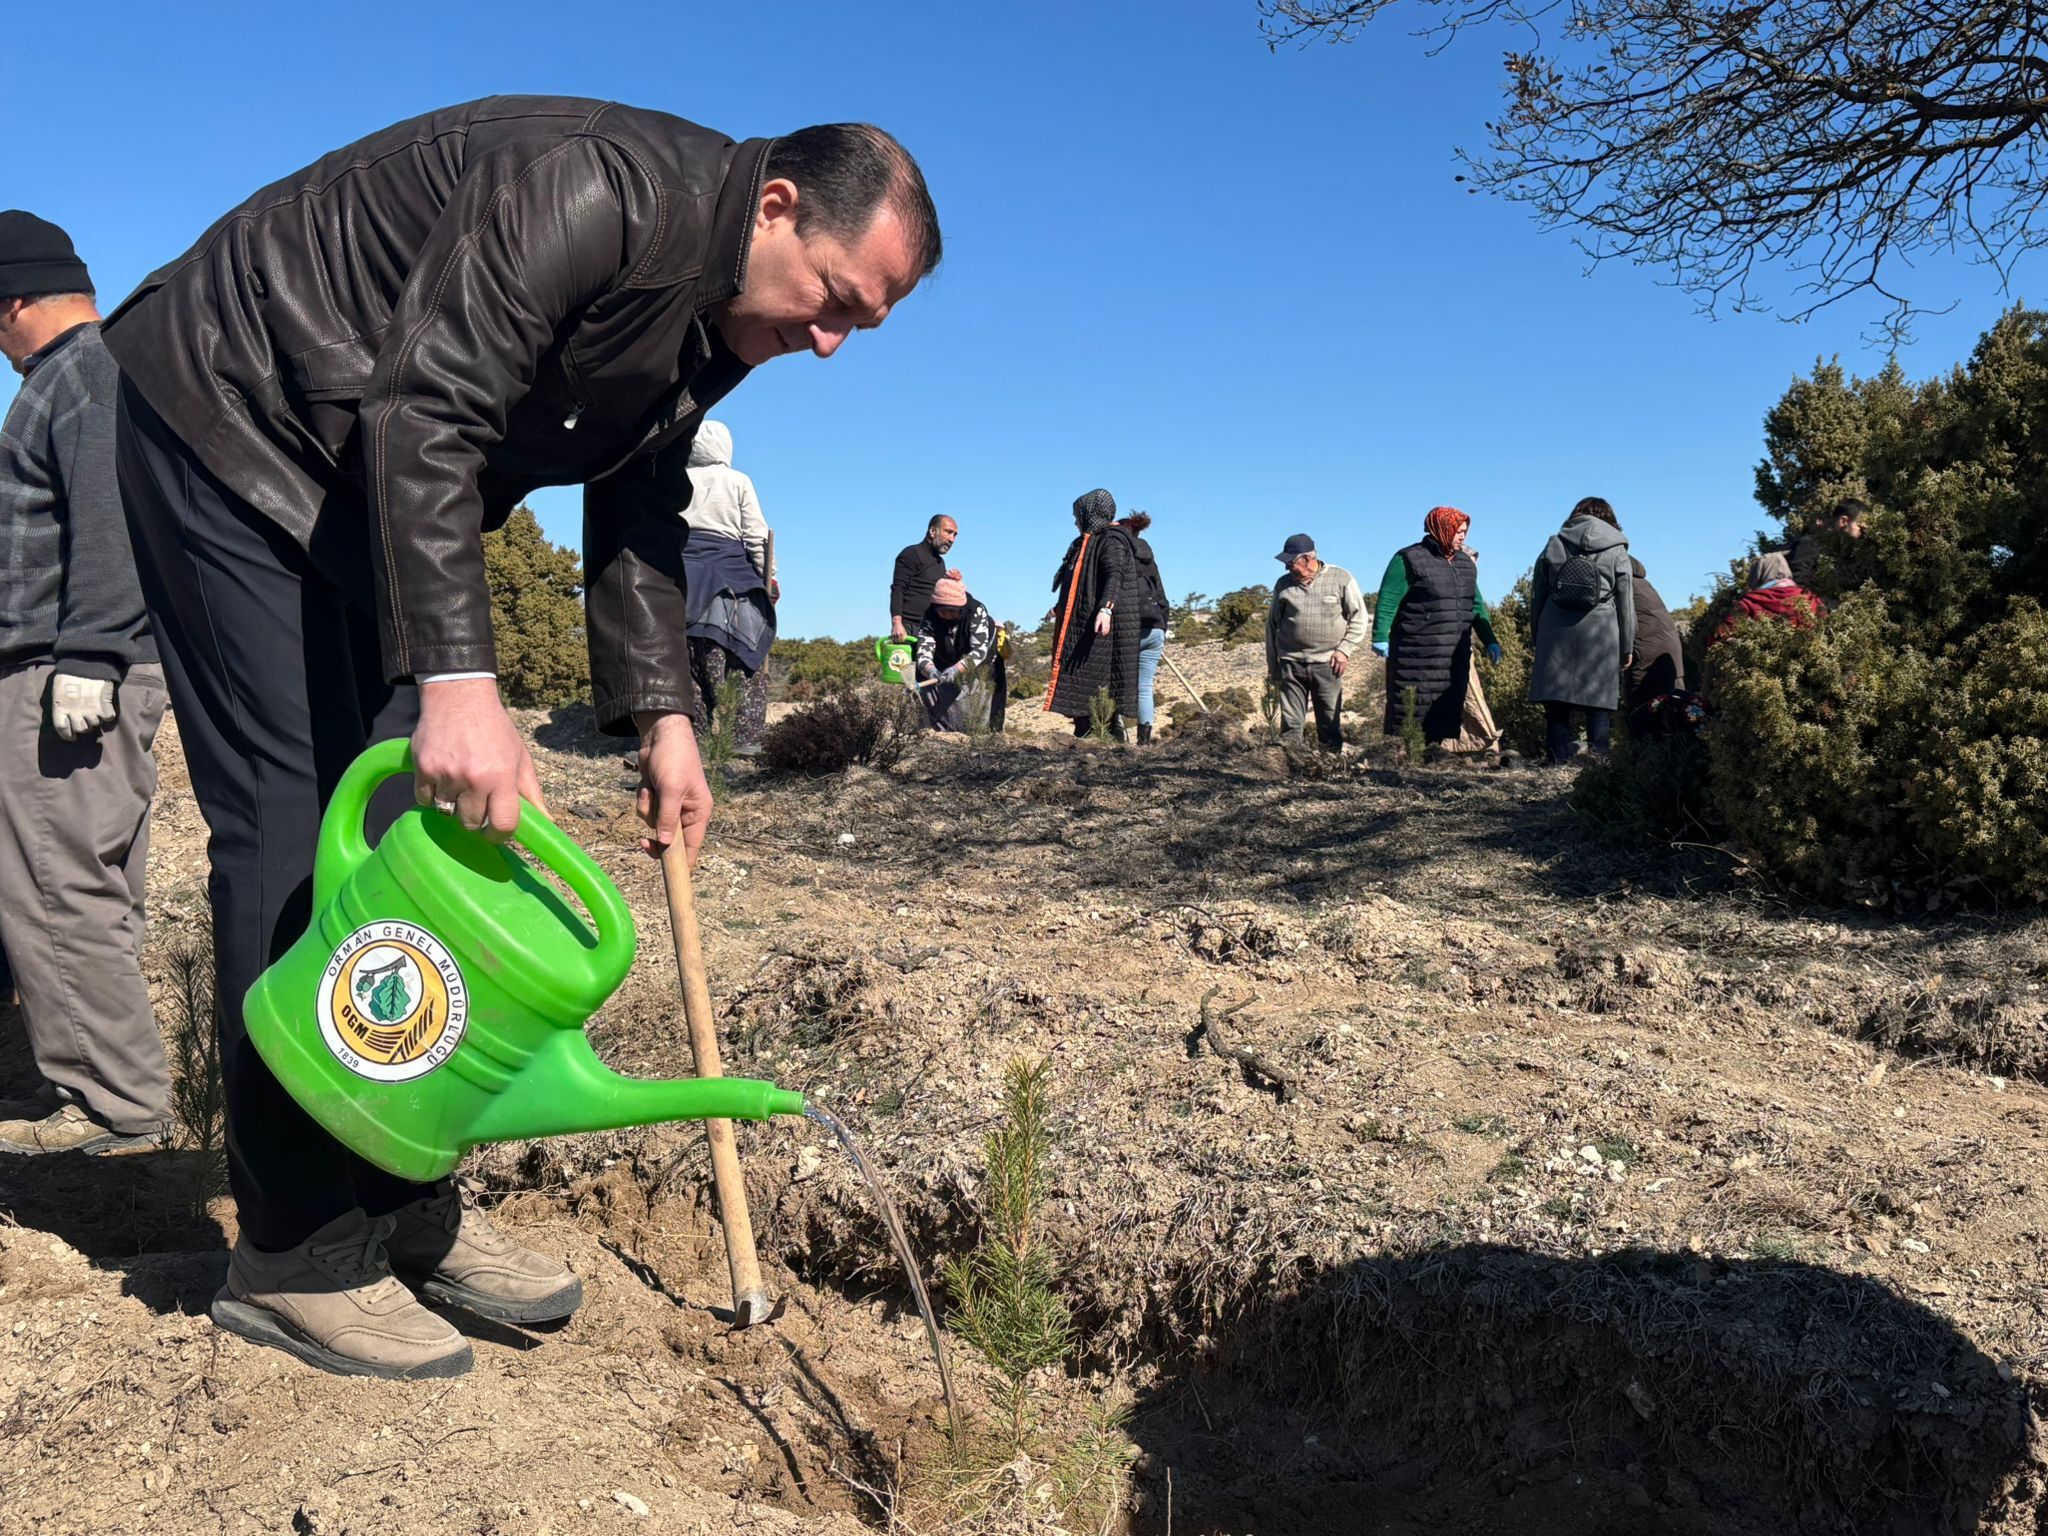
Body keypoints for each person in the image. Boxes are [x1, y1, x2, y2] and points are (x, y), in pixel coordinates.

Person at [104, 99, 941, 1380]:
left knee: (419, 839)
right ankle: (298, 1256)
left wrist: (665, 714)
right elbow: (429, 408)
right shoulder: (593, 193)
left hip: (361, 471)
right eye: (834, 299)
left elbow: (641, 499)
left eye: (860, 329)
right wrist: (459, 679)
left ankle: (402, 1204)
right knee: (292, 817)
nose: (829, 343)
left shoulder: (722, 319)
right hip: (233, 411)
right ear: (775, 206)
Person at [0, 213, 173, 1156]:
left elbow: (110, 518)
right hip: (75, 666)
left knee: (56, 883)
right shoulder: (89, 373)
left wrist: (92, 654)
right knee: (87, 876)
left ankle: (115, 1102)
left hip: (66, 675)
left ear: (16, 299)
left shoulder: (84, 375)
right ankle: (119, 1084)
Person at [1369, 506, 1501, 750]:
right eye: (1458, 531)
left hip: (1453, 654)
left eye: (1465, 532)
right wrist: (1380, 634)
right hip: (1417, 653)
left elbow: (1476, 605)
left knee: (1445, 708)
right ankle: (1409, 761)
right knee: (1413, 708)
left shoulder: (1465, 564)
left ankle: (1434, 756)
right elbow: (1388, 598)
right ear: (1442, 529)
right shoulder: (1409, 559)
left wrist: (1489, 639)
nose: (1463, 537)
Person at [681, 420, 775, 756]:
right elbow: (755, 537)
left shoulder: (677, 480)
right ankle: (744, 740)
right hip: (728, 582)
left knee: (689, 667)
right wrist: (771, 577)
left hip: (681, 583)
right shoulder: (737, 481)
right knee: (740, 661)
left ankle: (692, 742)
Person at [1529, 497, 1635, 765]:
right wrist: (1627, 645)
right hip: (1601, 630)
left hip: (1556, 628)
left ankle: (1556, 762)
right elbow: (1626, 602)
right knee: (1599, 703)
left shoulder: (1555, 542)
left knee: (1557, 702)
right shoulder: (1617, 550)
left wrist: (1536, 634)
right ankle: (1599, 763)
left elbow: (1538, 594)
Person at [1045, 489, 1140, 738]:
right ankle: (1086, 731)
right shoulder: (1087, 542)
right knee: (1083, 680)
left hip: (1101, 625)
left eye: (1080, 515)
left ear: (1091, 514)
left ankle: (1107, 737)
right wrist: (1058, 608)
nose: (1076, 521)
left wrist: (1106, 609)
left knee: (1098, 684)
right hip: (1086, 623)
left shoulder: (1111, 540)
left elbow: (1114, 574)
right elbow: (1078, 584)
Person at [1265, 533, 1369, 753]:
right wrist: (1273, 666)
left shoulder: (1341, 578)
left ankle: (1331, 769)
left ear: (1308, 558)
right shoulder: (1283, 585)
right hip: (1291, 663)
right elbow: (1271, 626)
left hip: (1328, 663)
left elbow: (1359, 618)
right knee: (1291, 727)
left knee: (1329, 724)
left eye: (1290, 563)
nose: (1287, 568)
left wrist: (1344, 650)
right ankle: (1288, 769)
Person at [913, 576, 996, 731]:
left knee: (973, 704)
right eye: (943, 611)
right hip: (943, 658)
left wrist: (957, 669)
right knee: (939, 699)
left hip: (976, 662)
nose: (948, 615)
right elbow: (924, 649)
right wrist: (930, 670)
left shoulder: (976, 611)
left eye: (953, 611)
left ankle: (977, 735)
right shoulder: (929, 617)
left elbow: (979, 651)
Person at [1120, 511, 1170, 744]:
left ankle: (1116, 735)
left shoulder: (1119, 553)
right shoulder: (1149, 556)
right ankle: (1144, 741)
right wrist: (1162, 627)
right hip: (1155, 627)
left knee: (1113, 684)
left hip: (1130, 628)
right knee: (1144, 687)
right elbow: (1161, 594)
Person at [1710, 551, 1824, 647]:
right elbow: (1827, 628)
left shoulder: (1748, 605)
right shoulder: (1811, 599)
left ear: (1757, 576)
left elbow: (1719, 642)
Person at [1626, 556, 1686, 714]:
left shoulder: (1622, 582)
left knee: (1642, 715)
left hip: (1647, 654)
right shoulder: (1641, 582)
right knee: (1675, 711)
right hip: (1668, 651)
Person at [890, 514, 959, 640]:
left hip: (931, 630)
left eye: (954, 535)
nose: (952, 539)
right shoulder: (911, 554)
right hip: (908, 629)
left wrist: (952, 583)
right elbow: (898, 589)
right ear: (933, 531)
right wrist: (897, 623)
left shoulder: (940, 563)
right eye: (948, 532)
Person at [1785, 498, 1866, 593]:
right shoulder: (1811, 545)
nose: (1863, 533)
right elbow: (1796, 586)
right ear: (1843, 521)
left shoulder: (1851, 552)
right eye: (1859, 527)